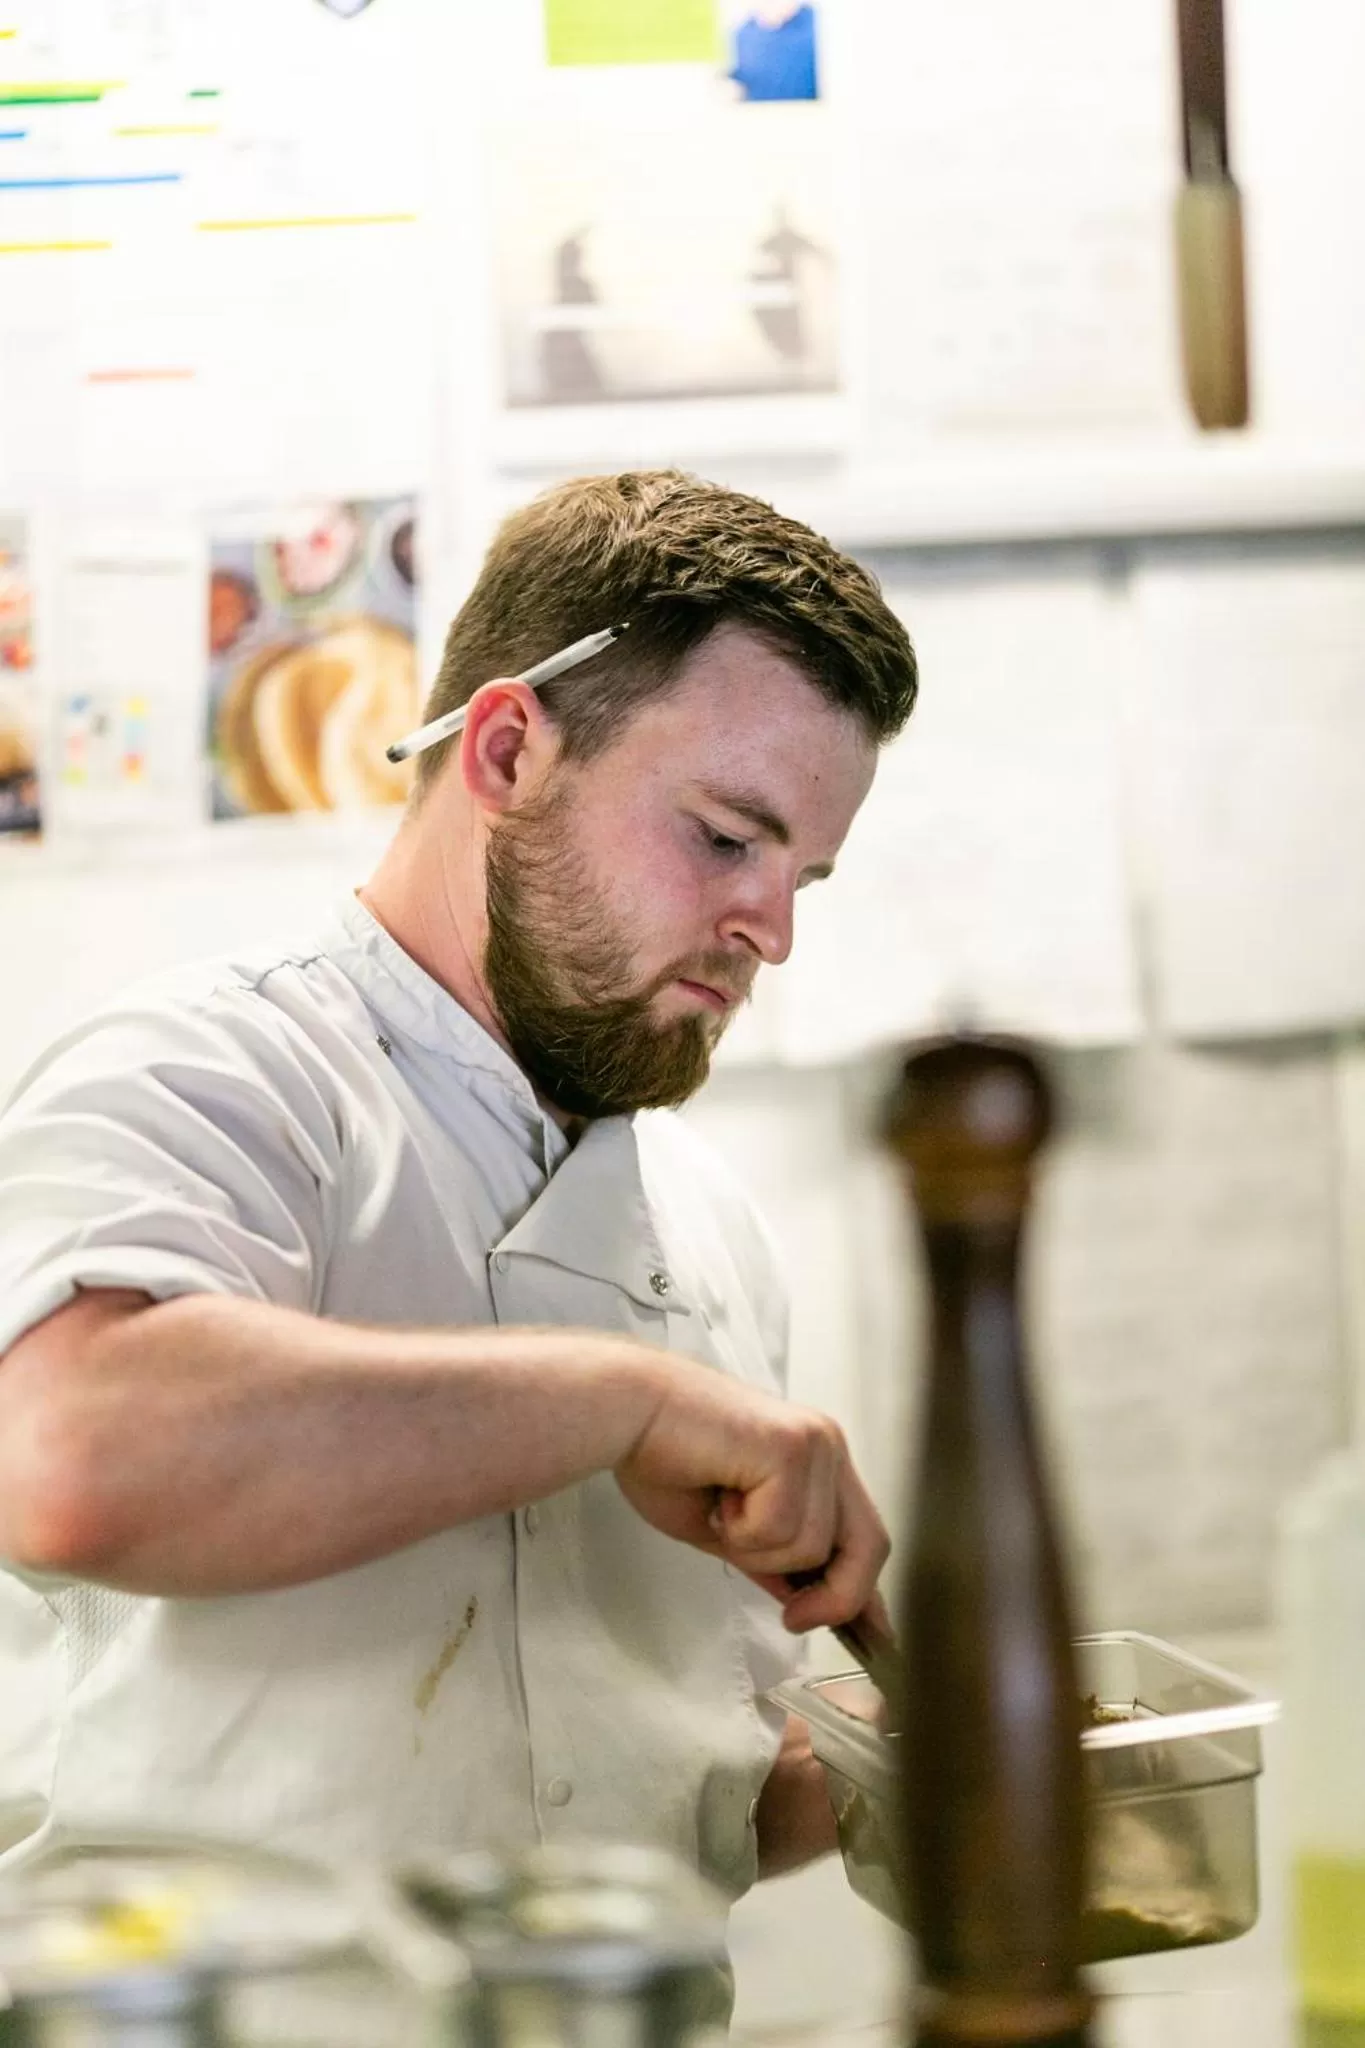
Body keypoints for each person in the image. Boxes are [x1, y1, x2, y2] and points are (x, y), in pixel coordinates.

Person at [0, 470, 917, 1899]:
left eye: (807, 873)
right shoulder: (211, 1077)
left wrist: (900, 1785)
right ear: (505, 753)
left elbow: (677, 1787)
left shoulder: (709, 1232)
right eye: (728, 839)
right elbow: (61, 1459)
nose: (771, 931)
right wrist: (623, 1401)